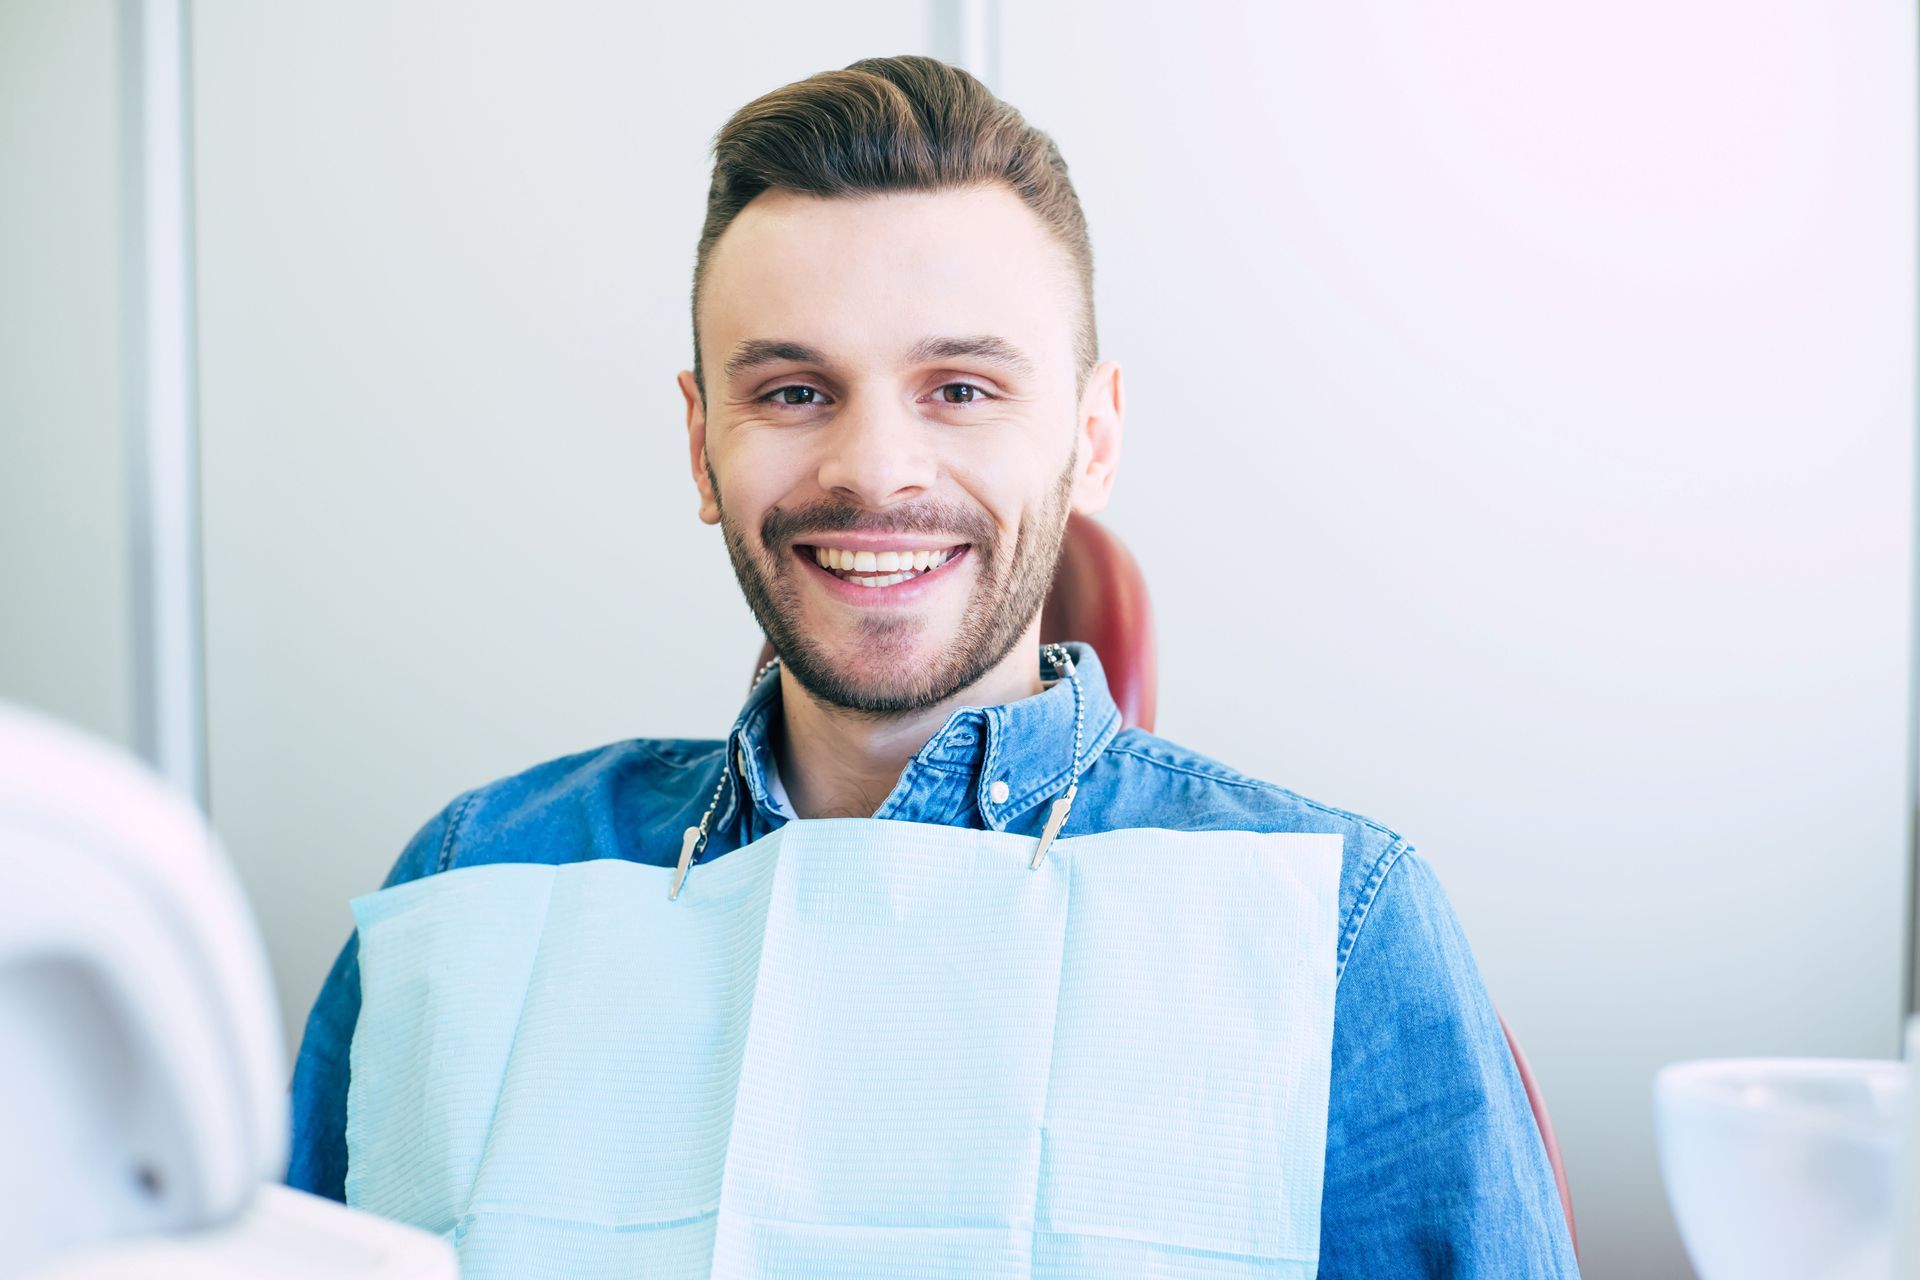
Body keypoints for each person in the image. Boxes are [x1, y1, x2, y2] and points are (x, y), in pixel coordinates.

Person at [288, 54, 1580, 1276]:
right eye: (795, 392)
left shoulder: (1337, 924)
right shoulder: (478, 884)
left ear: (1092, 435)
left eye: (960, 388)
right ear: (701, 446)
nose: (875, 469)